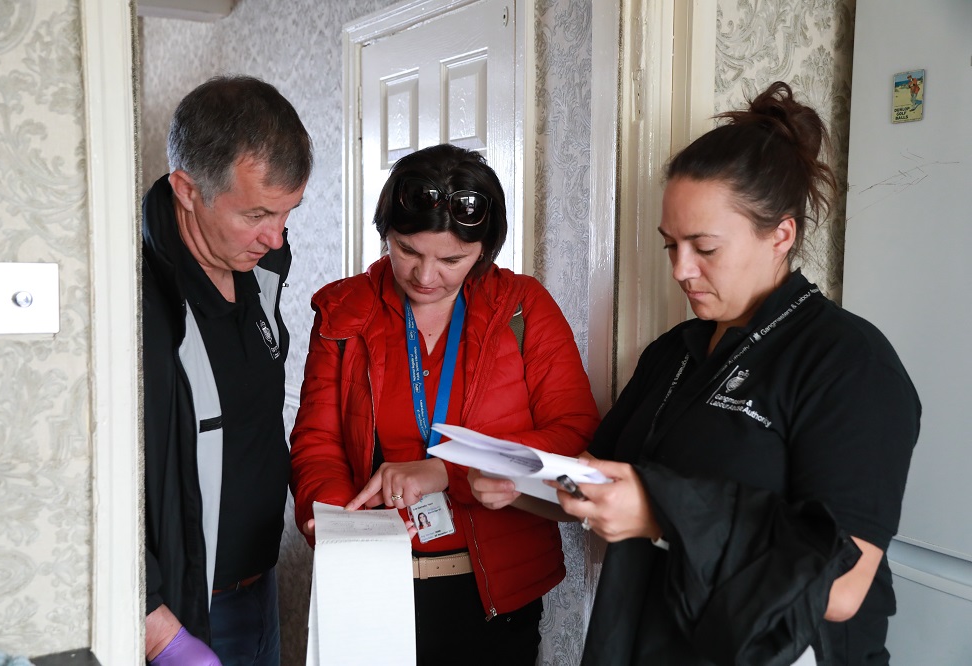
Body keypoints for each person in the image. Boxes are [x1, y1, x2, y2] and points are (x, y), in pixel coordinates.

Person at [472, 82, 920, 665]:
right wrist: (521, 486)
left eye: (704, 248)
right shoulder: (673, 353)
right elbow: (605, 483)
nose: (682, 270)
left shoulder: (848, 363)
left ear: (781, 235)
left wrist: (658, 511)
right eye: (670, 246)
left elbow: (841, 588)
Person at [289, 143, 600, 664]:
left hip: (495, 599)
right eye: (407, 250)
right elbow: (317, 440)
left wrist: (445, 472)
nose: (425, 276)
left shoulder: (525, 308)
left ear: (485, 249)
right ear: (385, 231)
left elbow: (575, 432)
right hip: (371, 582)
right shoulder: (345, 312)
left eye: (452, 259)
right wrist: (331, 516)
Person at [142, 75, 313, 665]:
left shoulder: (259, 265)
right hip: (184, 614)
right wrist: (156, 629)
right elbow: (85, 481)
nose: (277, 237)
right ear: (187, 190)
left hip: (257, 587)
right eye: (258, 214)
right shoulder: (135, 303)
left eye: (288, 213)